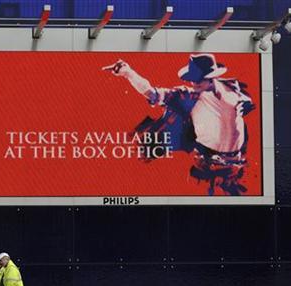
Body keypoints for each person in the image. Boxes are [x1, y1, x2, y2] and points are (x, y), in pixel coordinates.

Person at [102, 53, 255, 195]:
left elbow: (244, 99)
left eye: (198, 79)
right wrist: (128, 73)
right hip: (207, 168)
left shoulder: (231, 88)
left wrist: (245, 102)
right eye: (191, 79)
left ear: (212, 78)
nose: (194, 83)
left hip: (236, 168)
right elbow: (151, 92)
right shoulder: (187, 97)